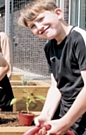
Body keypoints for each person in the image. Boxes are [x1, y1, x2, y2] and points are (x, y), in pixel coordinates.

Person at [18, 0, 86, 134]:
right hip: (65, 115)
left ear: (58, 13)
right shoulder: (49, 47)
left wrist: (66, 122)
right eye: (33, 26)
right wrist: (46, 115)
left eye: (41, 19)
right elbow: (56, 86)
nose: (39, 27)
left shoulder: (79, 39)